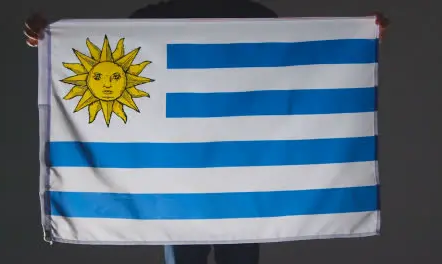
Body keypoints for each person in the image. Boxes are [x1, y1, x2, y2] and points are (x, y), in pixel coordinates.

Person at [23, 1, 389, 263]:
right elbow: (96, 54)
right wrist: (49, 40)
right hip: (176, 188)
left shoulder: (257, 16)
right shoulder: (149, 18)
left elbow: (301, 60)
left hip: (241, 184)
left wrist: (361, 37)